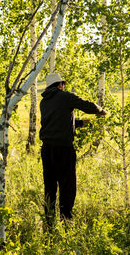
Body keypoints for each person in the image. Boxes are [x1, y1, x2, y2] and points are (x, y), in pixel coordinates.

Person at [39, 73, 106, 227]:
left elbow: (58, 121)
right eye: (63, 84)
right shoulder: (64, 96)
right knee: (67, 185)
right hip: (63, 149)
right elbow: (85, 105)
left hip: (47, 149)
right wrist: (100, 110)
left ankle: (49, 223)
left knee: (50, 186)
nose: (64, 86)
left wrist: (82, 123)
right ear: (59, 84)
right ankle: (66, 221)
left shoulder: (44, 101)